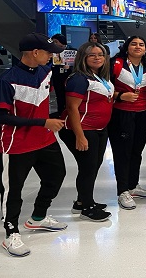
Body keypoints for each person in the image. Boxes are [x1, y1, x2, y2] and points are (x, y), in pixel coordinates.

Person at [0, 33, 67, 257]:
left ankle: (38, 217)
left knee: (57, 175)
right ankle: (10, 233)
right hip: (17, 144)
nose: (52, 57)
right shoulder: (7, 80)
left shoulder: (46, 72)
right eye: (48, 53)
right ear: (35, 53)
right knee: (13, 190)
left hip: (44, 139)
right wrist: (42, 122)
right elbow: (0, 117)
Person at [59, 42, 113, 222]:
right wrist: (80, 136)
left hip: (98, 129)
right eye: (92, 55)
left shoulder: (98, 77)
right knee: (88, 168)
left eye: (100, 54)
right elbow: (72, 108)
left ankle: (82, 201)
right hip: (82, 129)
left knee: (94, 165)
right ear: (83, 57)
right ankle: (87, 208)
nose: (97, 58)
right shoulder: (78, 79)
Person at [108, 36, 146, 210]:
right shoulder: (115, 64)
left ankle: (133, 185)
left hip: (143, 114)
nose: (138, 47)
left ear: (145, 49)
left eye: (141, 44)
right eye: (134, 44)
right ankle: (122, 190)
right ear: (127, 47)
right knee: (123, 153)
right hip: (121, 114)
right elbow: (103, 88)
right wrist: (121, 96)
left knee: (137, 151)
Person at [50, 33, 71, 117]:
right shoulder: (51, 52)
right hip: (57, 77)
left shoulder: (72, 51)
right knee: (59, 97)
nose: (54, 43)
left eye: (56, 41)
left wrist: (69, 68)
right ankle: (60, 114)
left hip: (69, 78)